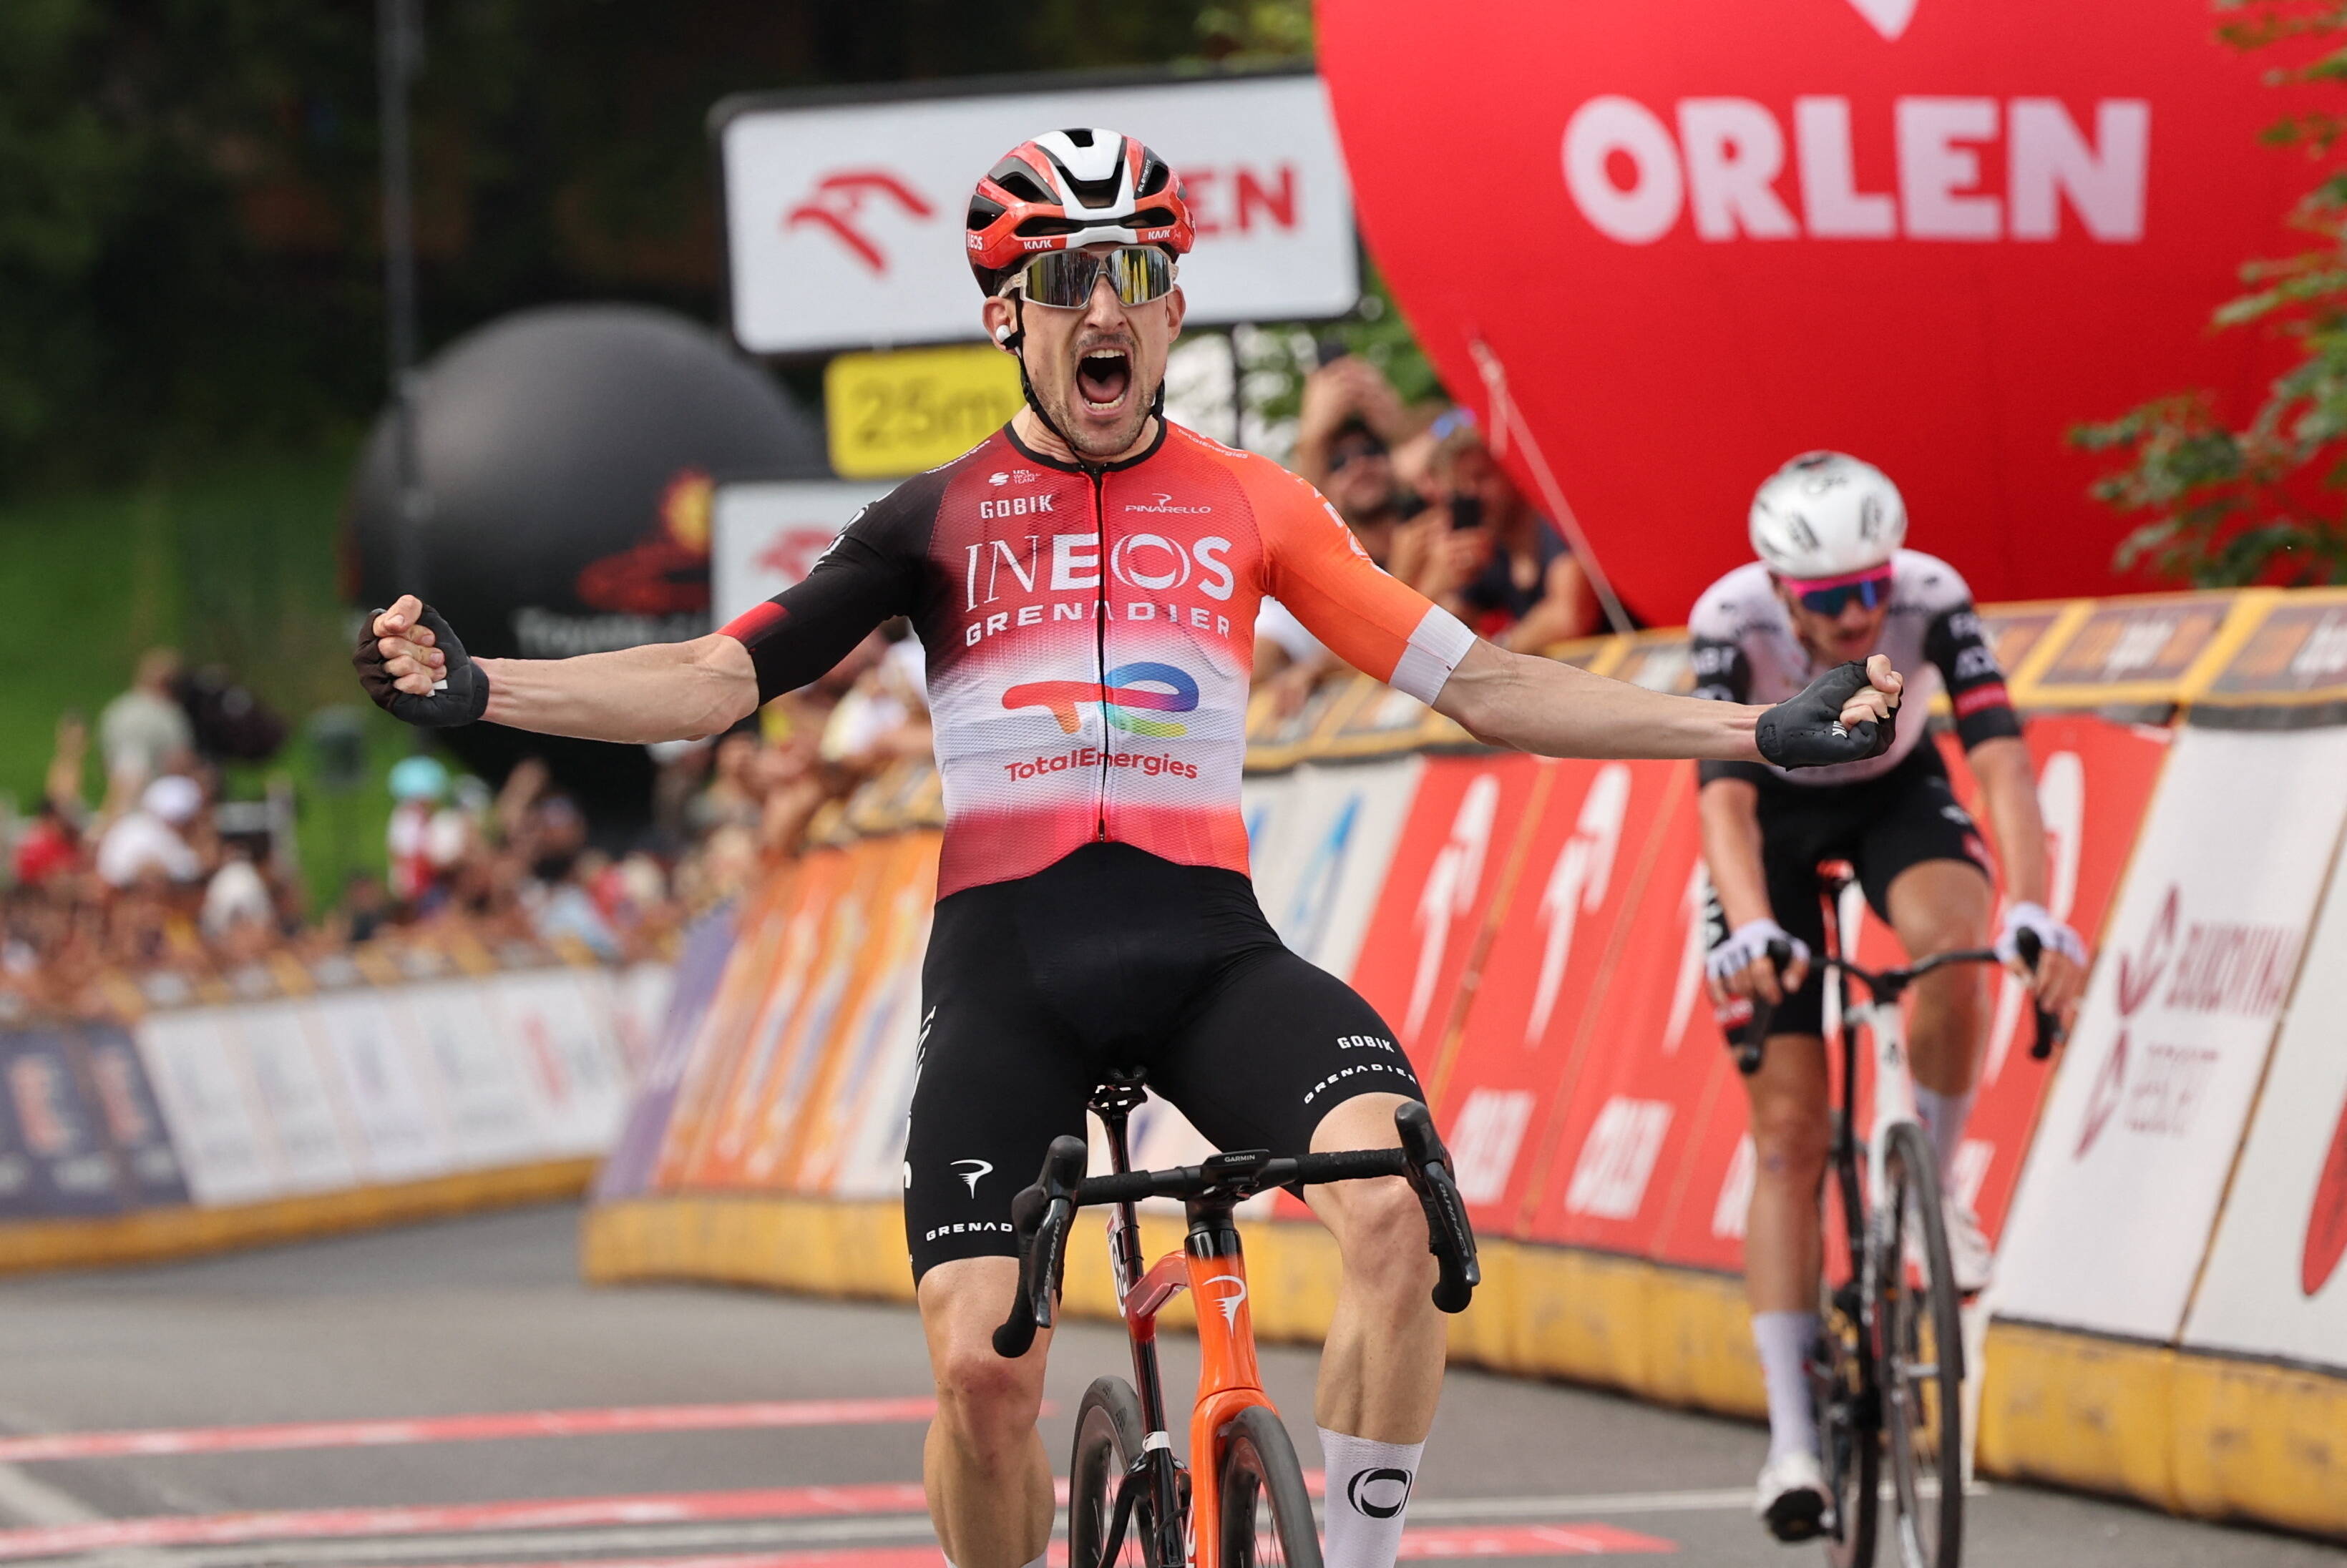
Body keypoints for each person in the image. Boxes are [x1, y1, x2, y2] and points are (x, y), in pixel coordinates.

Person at [354, 128, 1904, 1568]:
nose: (1105, 308)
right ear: (1004, 320)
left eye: (1139, 277)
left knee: (1393, 1200)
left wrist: (1751, 732)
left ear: (1171, 317)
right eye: (1061, 281)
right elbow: (708, 681)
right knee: (979, 1372)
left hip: (1207, 952)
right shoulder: (932, 520)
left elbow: (1487, 682)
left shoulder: (1252, 503)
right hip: (1008, 969)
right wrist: (489, 685)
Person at [1687, 451, 2089, 1542]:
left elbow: (2001, 759)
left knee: (1957, 951)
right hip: (1767, 815)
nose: (1859, 613)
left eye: (1873, 586)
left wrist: (2036, 907)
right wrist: (1753, 922)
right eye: (1828, 600)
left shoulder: (1932, 593)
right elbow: (1718, 798)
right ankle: (1791, 1440)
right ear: (1780, 590)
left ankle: (1937, 1186)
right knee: (1787, 1138)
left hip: (1893, 790)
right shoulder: (1727, 616)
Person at [1417, 418, 1598, 651]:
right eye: (1460, 488)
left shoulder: (1555, 522)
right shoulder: (1492, 551)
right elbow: (1437, 633)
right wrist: (1436, 583)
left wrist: (1501, 650)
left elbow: (1568, 618)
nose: (1473, 494)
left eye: (1482, 477)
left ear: (1513, 471)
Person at [97, 649, 195, 793]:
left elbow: (107, 760)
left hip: (121, 800)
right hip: (161, 802)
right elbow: (178, 761)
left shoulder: (117, 710)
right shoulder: (167, 713)